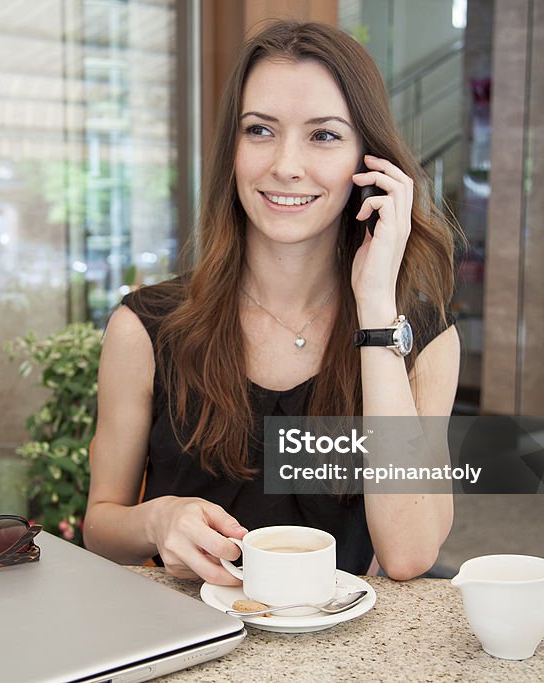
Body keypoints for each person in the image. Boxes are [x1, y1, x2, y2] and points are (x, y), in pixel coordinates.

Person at [83, 21, 460, 585]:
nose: (285, 164)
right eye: (260, 130)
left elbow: (408, 556)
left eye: (324, 136)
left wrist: (377, 308)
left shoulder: (420, 336)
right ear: (232, 150)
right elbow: (101, 529)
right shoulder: (146, 327)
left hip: (340, 654)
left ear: (369, 162)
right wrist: (158, 520)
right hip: (186, 648)